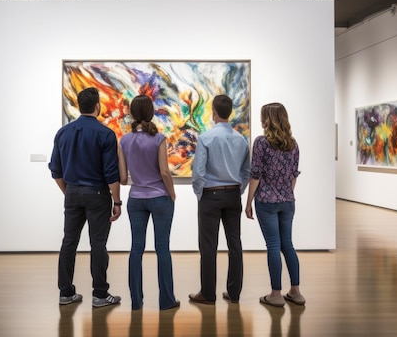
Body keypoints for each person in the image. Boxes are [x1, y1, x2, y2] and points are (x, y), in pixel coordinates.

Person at [48, 87, 122, 307]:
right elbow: (111, 173)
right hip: (98, 194)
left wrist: (69, 191)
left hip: (72, 192)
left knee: (68, 243)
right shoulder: (105, 133)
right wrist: (117, 202)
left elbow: (55, 170)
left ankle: (66, 293)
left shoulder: (63, 132)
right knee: (98, 244)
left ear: (79, 106)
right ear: (97, 106)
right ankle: (100, 294)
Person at [117, 95, 179, 311]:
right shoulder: (159, 138)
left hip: (136, 200)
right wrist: (172, 194)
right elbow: (164, 171)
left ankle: (136, 301)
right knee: (163, 249)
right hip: (160, 198)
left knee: (136, 249)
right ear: (151, 113)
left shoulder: (124, 140)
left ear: (132, 114)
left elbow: (123, 179)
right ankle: (167, 301)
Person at [189, 94, 250, 304]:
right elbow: (246, 171)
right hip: (233, 194)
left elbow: (198, 173)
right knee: (235, 244)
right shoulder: (241, 139)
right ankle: (234, 293)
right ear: (230, 112)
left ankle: (208, 294)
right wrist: (238, 190)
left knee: (208, 246)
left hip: (210, 196)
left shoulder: (206, 138)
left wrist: (200, 194)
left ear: (213, 112)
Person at [245, 102, 305, 307]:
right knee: (287, 245)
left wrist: (248, 201)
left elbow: (255, 175)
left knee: (273, 245)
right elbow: (293, 176)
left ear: (267, 119)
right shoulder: (293, 144)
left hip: (266, 202)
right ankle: (296, 292)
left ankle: (276, 294)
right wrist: (285, 193)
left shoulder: (261, 143)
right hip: (288, 201)